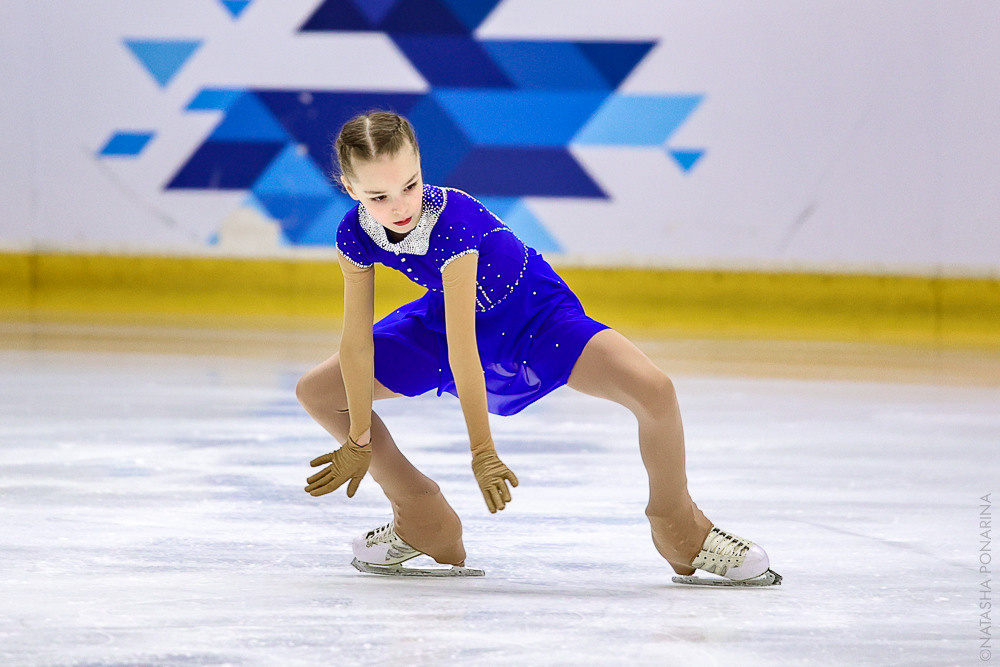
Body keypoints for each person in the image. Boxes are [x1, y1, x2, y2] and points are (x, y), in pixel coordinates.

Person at [295, 111, 776, 583]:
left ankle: (679, 525)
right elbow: (357, 343)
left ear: (421, 166)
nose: (401, 206)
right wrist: (358, 437)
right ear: (350, 188)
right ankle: (418, 512)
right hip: (443, 319)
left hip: (535, 316)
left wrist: (482, 450)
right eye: (378, 195)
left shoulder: (453, 221)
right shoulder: (353, 234)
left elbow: (467, 352)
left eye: (411, 185)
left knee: (654, 391)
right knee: (317, 392)